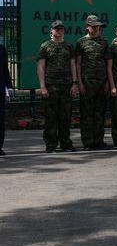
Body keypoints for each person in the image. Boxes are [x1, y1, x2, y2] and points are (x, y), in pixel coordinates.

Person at [36, 20, 78, 153]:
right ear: (52, 31)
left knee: (65, 117)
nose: (59, 31)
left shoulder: (69, 46)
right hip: (51, 86)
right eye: (57, 28)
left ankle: (65, 143)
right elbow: (41, 67)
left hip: (66, 86)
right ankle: (51, 145)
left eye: (61, 28)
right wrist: (43, 86)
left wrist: (75, 83)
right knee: (51, 117)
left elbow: (73, 65)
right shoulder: (45, 46)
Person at [75, 14, 110, 150]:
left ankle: (99, 140)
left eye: (98, 27)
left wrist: (107, 81)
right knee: (87, 114)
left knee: (99, 113)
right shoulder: (80, 42)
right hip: (87, 82)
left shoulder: (104, 42)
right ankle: (88, 142)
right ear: (88, 27)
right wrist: (79, 83)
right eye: (94, 27)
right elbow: (78, 64)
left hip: (101, 82)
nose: (97, 29)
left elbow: (107, 63)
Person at [0, 41, 10, 155]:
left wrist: (9, 86)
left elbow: (5, 69)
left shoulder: (2, 49)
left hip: (0, 91)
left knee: (0, 120)